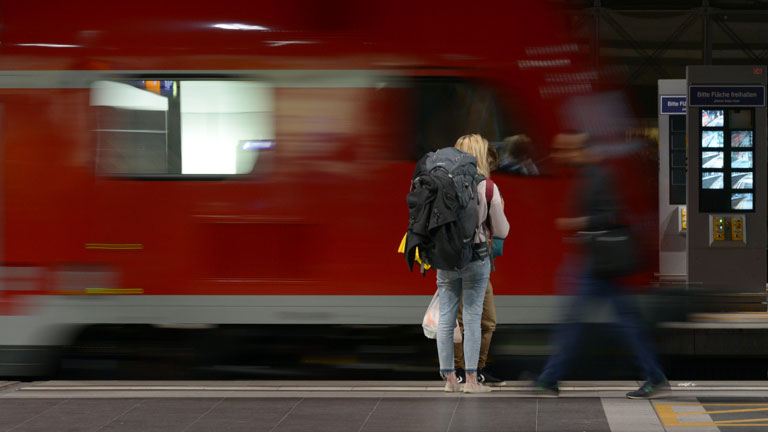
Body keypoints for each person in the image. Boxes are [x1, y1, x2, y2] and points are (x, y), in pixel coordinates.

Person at [534, 132, 667, 399]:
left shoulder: (601, 175)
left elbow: (613, 213)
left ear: (583, 150)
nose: (562, 155)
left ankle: (550, 377)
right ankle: (550, 377)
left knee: (585, 321)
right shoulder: (589, 175)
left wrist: (581, 223)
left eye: (567, 150)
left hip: (599, 262)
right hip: (595, 261)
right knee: (619, 321)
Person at [438, 134, 510, 393]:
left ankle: (449, 381)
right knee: (472, 318)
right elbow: (501, 229)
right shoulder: (487, 187)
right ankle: (470, 380)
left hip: (446, 258)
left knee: (446, 320)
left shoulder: (440, 181)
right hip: (476, 258)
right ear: (481, 155)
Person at [453, 143, 506, 386]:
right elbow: (502, 228)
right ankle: (462, 372)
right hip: (468, 259)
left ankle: (476, 370)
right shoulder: (482, 187)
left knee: (486, 320)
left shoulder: (480, 186)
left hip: (471, 259)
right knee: (464, 320)